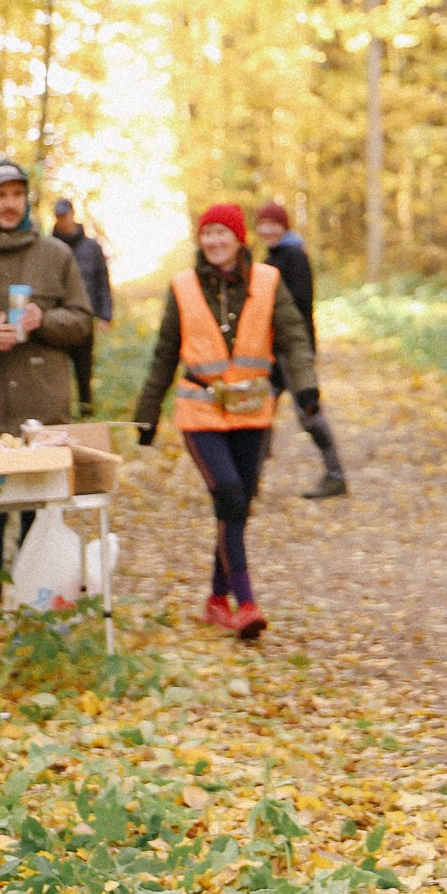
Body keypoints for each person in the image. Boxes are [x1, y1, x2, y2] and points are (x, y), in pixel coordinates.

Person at [130, 204, 318, 639]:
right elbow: (164, 356)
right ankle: (246, 603)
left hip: (253, 410)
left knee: (238, 504)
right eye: (207, 233)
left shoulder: (269, 281)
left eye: (222, 233)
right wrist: (146, 417)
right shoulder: (182, 287)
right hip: (200, 411)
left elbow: (293, 336)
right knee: (230, 495)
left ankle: (216, 599)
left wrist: (306, 387)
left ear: (239, 238)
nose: (214, 242)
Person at [0, 160, 95, 624]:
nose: (9, 204)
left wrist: (45, 321)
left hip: (43, 414)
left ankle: (36, 613)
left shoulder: (55, 256)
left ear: (27, 199)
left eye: (16, 194)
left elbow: (83, 321)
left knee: (41, 520)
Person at [255, 202, 347, 498]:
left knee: (307, 412)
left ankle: (335, 476)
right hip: (270, 351)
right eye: (263, 223)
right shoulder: (273, 257)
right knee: (259, 412)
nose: (267, 229)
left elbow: (300, 302)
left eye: (273, 223)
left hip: (292, 351)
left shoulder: (292, 256)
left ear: (285, 226)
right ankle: (249, 480)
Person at [50, 198, 113, 417]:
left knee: (84, 367)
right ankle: (62, 412)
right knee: (58, 369)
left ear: (72, 215)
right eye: (59, 217)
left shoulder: (91, 247)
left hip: (85, 317)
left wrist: (105, 314)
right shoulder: (50, 247)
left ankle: (86, 410)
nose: (63, 221)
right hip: (56, 319)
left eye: (65, 216)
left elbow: (102, 281)